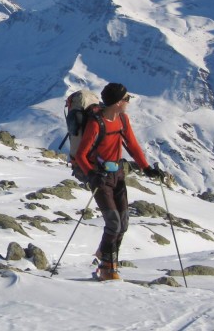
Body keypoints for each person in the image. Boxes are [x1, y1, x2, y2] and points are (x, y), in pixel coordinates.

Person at [74, 82, 164, 281]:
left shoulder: (122, 119)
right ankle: (107, 268)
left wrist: (146, 168)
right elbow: (81, 154)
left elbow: (132, 144)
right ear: (117, 102)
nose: (129, 102)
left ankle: (105, 258)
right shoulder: (96, 123)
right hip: (100, 177)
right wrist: (91, 174)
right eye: (126, 98)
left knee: (122, 224)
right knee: (113, 223)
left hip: (118, 175)